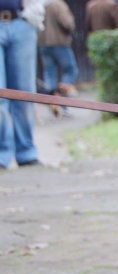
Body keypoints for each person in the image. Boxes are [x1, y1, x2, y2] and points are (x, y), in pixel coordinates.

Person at [1, 0, 45, 169]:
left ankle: (26, 152)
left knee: (25, 94)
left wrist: (33, 14)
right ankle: (1, 154)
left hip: (21, 21)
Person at [38, 0, 78, 117]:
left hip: (43, 44)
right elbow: (68, 23)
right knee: (71, 70)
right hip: (59, 43)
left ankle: (53, 103)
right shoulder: (58, 4)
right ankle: (63, 101)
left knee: (50, 73)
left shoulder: (40, 4)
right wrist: (70, 30)